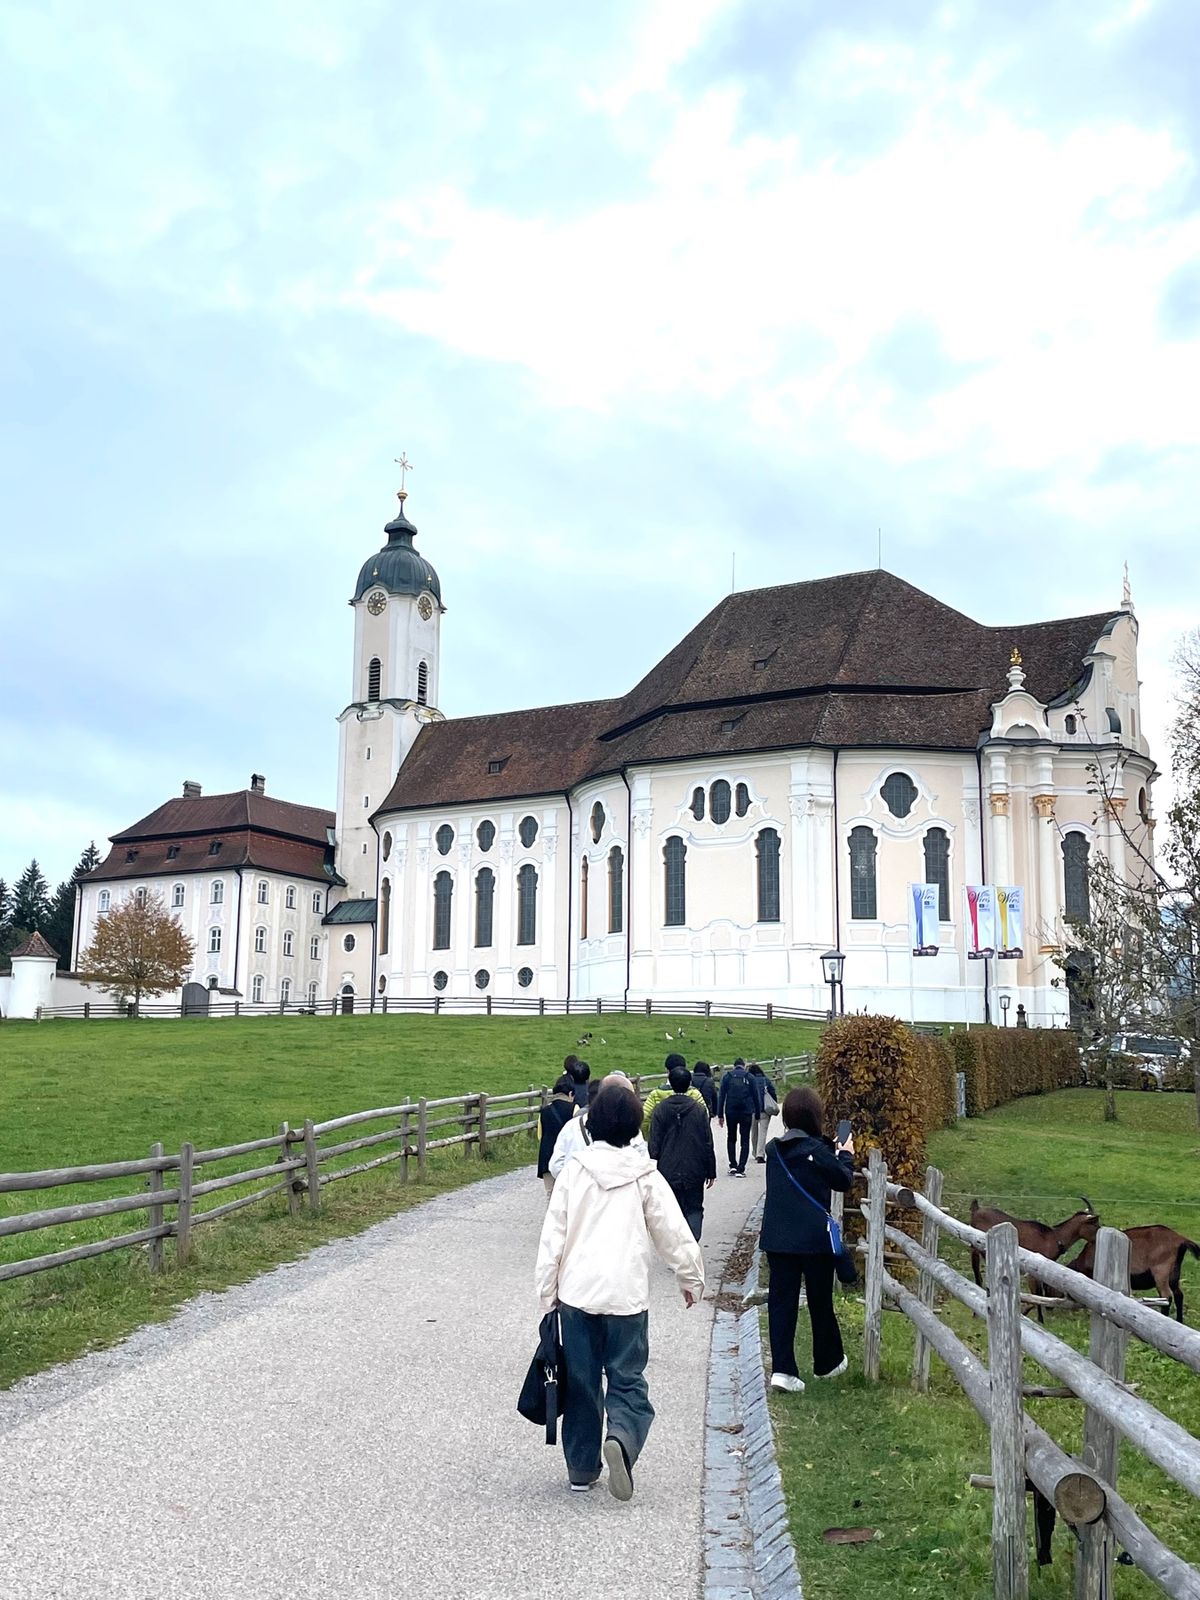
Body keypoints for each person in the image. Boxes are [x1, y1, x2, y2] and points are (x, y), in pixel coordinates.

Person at [535, 1083, 705, 1499]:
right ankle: (623, 1439)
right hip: (627, 1296)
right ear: (634, 1128)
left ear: (590, 1125)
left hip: (578, 1295)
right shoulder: (645, 1173)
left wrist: (546, 1291)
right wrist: (690, 1276)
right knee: (628, 1379)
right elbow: (671, 1229)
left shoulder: (574, 1171)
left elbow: (553, 1235)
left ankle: (580, 1468)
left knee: (581, 1381)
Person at [760, 1086, 854, 1393]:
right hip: (814, 1240)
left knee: (781, 1302)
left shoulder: (774, 1151)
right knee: (819, 1301)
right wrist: (846, 1154)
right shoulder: (819, 1151)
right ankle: (827, 1362)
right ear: (816, 1116)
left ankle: (783, 1370)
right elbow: (843, 1180)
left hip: (779, 1239)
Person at [647, 1064, 716, 1239]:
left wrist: (652, 1168)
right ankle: (692, 1240)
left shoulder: (660, 1109)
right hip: (695, 1166)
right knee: (694, 1207)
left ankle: (679, 1247)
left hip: (667, 1168)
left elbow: (654, 1143)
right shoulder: (698, 1110)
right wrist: (710, 1170)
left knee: (672, 1209)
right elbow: (707, 1141)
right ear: (689, 1084)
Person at [548, 1071, 644, 1179]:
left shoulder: (572, 1126)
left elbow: (556, 1165)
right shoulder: (632, 1131)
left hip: (579, 1190)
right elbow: (643, 1164)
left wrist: (573, 1181)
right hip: (624, 1190)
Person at [641, 1052, 706, 1138]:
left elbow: (645, 1118)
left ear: (667, 1070)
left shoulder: (656, 1094)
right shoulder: (694, 1094)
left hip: (663, 1142)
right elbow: (704, 1117)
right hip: (690, 1141)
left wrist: (650, 1138)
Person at [717, 1057, 763, 1175]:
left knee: (731, 1138)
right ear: (744, 1065)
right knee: (745, 1139)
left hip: (731, 1111)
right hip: (746, 1112)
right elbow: (756, 1097)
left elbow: (721, 1096)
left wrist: (720, 1114)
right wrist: (757, 1113)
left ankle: (733, 1164)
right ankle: (741, 1168)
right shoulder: (749, 1077)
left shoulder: (727, 1077)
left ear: (734, 1066)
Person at [537, 1075, 577, 1197]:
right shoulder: (574, 1108)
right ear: (570, 1093)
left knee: (551, 1194)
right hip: (567, 1157)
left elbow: (540, 1135)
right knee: (568, 1196)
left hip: (547, 1157)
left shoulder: (544, 1110)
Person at [749, 1061, 779, 1164]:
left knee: (754, 1131)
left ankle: (754, 1151)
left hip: (752, 1110)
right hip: (764, 1110)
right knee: (763, 1132)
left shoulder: (749, 1080)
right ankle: (760, 1154)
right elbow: (773, 1092)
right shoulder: (766, 1080)